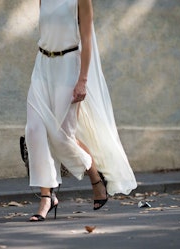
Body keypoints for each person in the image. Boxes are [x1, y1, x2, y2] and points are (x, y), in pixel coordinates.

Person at [25, 0, 137, 222]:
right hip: (42, 66)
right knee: (34, 131)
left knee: (61, 136)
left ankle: (96, 177)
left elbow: (86, 40)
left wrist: (82, 81)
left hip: (68, 66)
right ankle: (47, 197)